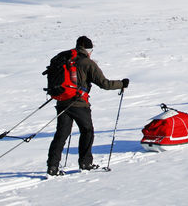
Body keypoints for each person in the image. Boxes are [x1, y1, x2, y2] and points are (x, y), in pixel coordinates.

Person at [47, 36, 128, 175]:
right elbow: (104, 84)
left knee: (61, 134)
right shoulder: (87, 63)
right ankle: (85, 162)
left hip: (62, 100)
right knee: (87, 131)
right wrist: (122, 84)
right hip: (78, 103)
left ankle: (52, 167)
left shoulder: (65, 59)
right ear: (88, 49)